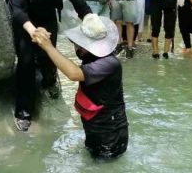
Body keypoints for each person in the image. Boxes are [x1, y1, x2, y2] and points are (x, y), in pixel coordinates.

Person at [9, 0, 92, 131]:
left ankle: (49, 80)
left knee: (50, 55)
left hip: (47, 17)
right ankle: (23, 111)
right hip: (25, 19)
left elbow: (81, 5)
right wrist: (32, 31)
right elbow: (16, 8)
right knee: (26, 62)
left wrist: (91, 21)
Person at [32, 14, 128, 159]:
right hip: (95, 129)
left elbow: (73, 74)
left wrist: (48, 47)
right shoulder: (91, 58)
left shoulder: (109, 63)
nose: (76, 46)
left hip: (111, 136)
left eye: (79, 43)